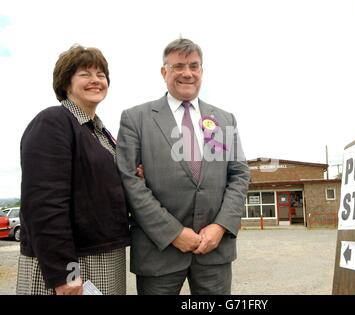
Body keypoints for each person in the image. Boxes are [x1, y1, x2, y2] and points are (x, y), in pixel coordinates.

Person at [116, 38, 250, 295]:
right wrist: (174, 233)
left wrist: (220, 226)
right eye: (178, 66)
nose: (187, 73)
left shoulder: (222, 119)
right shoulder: (136, 118)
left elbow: (239, 175)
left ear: (201, 71)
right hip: (159, 251)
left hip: (214, 250)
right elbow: (129, 180)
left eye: (194, 66)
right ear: (164, 71)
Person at [16, 44, 131, 295]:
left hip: (106, 256)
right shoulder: (54, 122)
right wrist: (64, 272)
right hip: (75, 262)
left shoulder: (100, 133)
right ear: (66, 83)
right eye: (85, 74)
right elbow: (44, 203)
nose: (96, 80)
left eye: (101, 75)